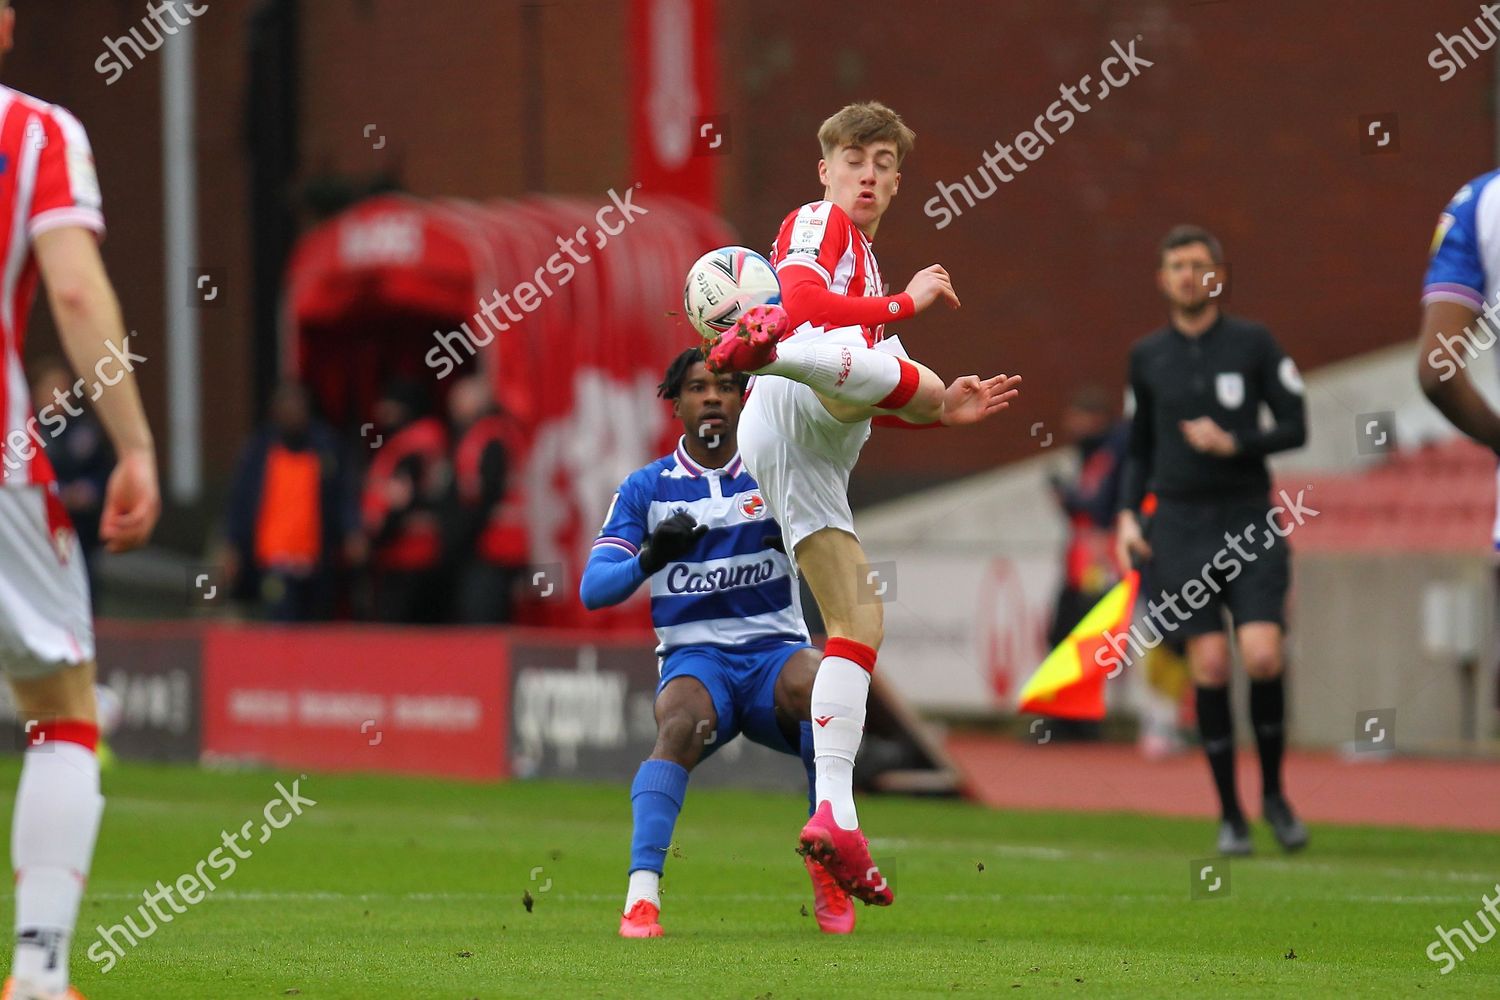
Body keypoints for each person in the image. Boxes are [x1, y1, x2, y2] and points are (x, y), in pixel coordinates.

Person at [704, 101, 1022, 904]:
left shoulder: (871, 271)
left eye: (883, 162)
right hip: (797, 386)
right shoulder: (820, 223)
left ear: (898, 179)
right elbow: (810, 302)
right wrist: (906, 307)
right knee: (857, 354)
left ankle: (834, 822)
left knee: (858, 623)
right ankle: (769, 348)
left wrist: (945, 409)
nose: (868, 174)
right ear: (825, 169)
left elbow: (869, 381)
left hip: (809, 444)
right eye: (853, 158)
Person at [580, 348, 854, 938]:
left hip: (774, 657)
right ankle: (642, 897)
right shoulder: (646, 489)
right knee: (678, 724)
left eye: (727, 387)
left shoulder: (778, 473)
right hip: (697, 663)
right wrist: (650, 556)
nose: (712, 397)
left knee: (824, 688)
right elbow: (593, 589)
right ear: (675, 403)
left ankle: (827, 867)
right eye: (698, 387)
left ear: (743, 400)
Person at [0, 3, 162, 995]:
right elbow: (73, 290)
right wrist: (136, 442)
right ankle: (41, 968)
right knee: (60, 705)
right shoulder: (37, 131)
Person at [1114, 225, 1308, 856]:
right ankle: (1230, 815)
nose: (1188, 276)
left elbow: (1295, 424)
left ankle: (1275, 794)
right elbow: (1137, 449)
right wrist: (1125, 517)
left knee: (1261, 656)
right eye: (1176, 266)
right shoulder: (1147, 356)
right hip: (1179, 526)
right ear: (1162, 279)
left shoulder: (1254, 343)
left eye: (1199, 265)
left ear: (1218, 274)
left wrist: (1237, 443)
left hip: (1248, 519)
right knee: (1211, 664)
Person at [221, 381, 361, 622]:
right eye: (286, 406)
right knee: (281, 621)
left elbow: (343, 495)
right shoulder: (259, 452)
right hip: (273, 560)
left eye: (298, 406)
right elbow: (239, 502)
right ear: (275, 412)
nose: (292, 413)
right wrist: (232, 545)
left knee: (315, 628)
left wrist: (352, 531)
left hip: (315, 562)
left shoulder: (326, 448)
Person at [360, 380, 449, 624]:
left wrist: (375, 541)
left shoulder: (409, 448)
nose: (381, 412)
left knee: (397, 635)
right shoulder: (431, 441)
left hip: (405, 554)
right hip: (426, 553)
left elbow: (401, 500)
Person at [27, 359, 112, 603]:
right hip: (39, 530)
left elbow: (104, 469)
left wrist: (90, 490)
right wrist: (57, 493)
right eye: (51, 389)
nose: (58, 396)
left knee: (83, 587)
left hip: (81, 530)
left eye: (63, 389)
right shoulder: (26, 433)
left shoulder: (86, 430)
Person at [443, 376, 526, 624]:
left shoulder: (489, 437)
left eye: (458, 402)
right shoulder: (499, 431)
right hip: (500, 544)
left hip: (493, 545)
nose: (453, 409)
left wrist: (458, 538)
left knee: (483, 619)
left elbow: (487, 494)